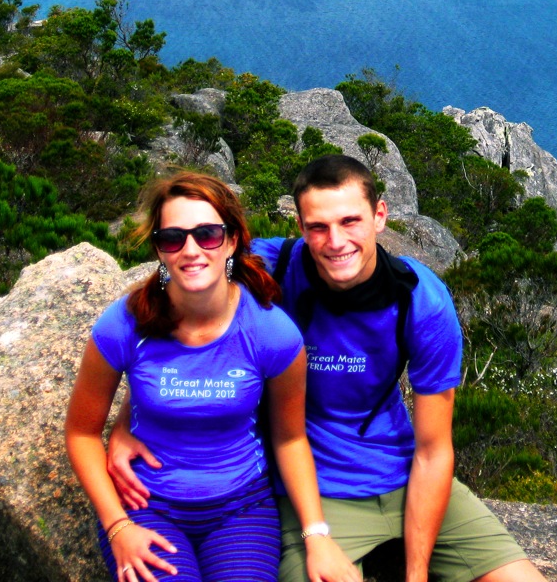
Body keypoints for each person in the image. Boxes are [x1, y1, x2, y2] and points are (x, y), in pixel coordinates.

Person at [108, 155, 548, 582]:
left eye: (350, 221)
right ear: (300, 226)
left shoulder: (420, 300)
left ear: (379, 216)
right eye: (318, 227)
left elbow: (434, 451)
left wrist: (416, 573)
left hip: (404, 472)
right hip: (315, 490)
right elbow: (174, 314)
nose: (335, 242)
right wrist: (131, 417)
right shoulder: (266, 271)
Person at [65, 171, 359, 582]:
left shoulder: (270, 332)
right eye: (173, 238)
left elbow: (290, 438)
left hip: (241, 508)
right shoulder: (125, 325)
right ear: (159, 249)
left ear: (233, 241)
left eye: (207, 234)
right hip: (147, 505)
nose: (191, 250)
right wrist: (118, 526)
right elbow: (80, 433)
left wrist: (317, 535)